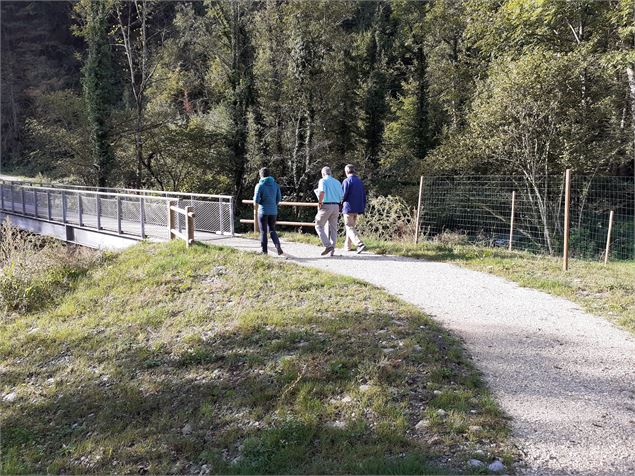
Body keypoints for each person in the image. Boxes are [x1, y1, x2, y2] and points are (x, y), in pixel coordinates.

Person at [253, 167, 283, 255]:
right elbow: (279, 198)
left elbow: (256, 200)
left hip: (263, 211)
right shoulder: (276, 185)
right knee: (272, 230)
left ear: (260, 175)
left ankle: (264, 251)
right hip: (273, 211)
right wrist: (273, 204)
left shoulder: (259, 185)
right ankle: (278, 247)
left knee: (263, 232)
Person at [315, 166, 343, 256]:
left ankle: (327, 245)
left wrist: (319, 202)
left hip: (326, 205)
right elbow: (341, 195)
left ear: (323, 174)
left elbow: (322, 192)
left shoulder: (323, 181)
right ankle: (332, 250)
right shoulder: (337, 182)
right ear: (330, 173)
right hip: (336, 206)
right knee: (333, 228)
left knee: (318, 225)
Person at [341, 164, 366, 253]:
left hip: (348, 207)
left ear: (346, 172)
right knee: (351, 227)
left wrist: (340, 203)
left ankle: (359, 243)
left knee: (349, 227)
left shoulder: (347, 181)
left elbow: (343, 195)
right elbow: (363, 195)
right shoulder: (359, 181)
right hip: (358, 207)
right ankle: (347, 247)